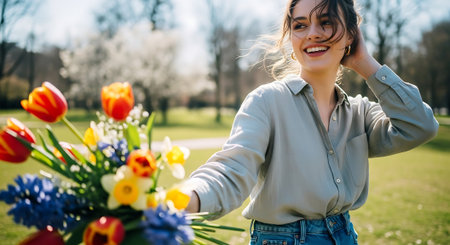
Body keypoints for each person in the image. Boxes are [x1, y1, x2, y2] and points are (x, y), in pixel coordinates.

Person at [184, 0, 439, 244]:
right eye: (300, 25)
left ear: (352, 34)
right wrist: (183, 200)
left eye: (326, 22)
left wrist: (365, 64)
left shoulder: (360, 113)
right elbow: (231, 171)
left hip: (345, 236)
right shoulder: (266, 101)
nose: (312, 34)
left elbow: (420, 125)